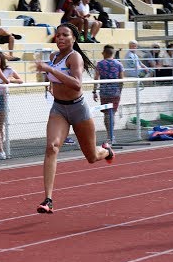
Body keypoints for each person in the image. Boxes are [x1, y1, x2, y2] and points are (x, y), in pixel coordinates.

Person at [34, 23, 115, 214]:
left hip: (78, 109)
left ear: (73, 38)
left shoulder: (74, 57)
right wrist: (48, 80)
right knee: (51, 147)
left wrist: (52, 71)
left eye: (65, 35)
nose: (60, 38)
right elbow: (54, 79)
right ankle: (48, 199)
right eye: (58, 35)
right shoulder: (53, 57)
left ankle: (107, 151)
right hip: (59, 109)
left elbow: (77, 85)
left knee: (92, 157)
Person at [0, 51, 23, 160]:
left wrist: (9, 80)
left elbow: (20, 80)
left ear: (2, 60)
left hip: (2, 98)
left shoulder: (8, 70)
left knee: (0, 126)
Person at [93, 44, 124, 144]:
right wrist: (120, 91)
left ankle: (109, 136)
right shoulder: (119, 64)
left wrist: (94, 91)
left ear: (105, 53)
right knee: (112, 114)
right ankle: (111, 136)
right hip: (115, 92)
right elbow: (121, 80)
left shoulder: (100, 64)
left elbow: (96, 78)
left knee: (107, 114)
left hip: (104, 91)